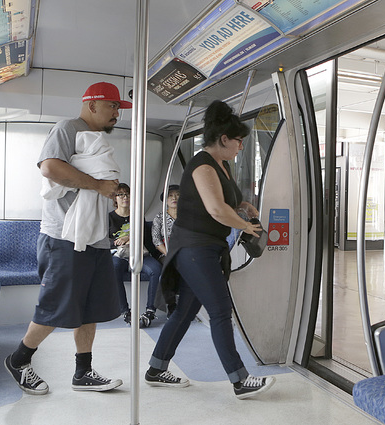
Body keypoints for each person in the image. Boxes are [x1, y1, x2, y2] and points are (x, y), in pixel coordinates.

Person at [4, 82, 131, 395]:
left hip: (94, 239)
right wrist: (99, 186)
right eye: (112, 106)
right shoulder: (68, 128)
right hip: (64, 238)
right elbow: (50, 168)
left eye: (118, 108)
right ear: (91, 104)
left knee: (91, 309)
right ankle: (19, 360)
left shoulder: (97, 140)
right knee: (56, 307)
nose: (117, 113)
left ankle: (83, 371)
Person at [144, 100, 276, 400]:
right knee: (219, 310)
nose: (241, 146)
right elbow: (216, 210)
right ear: (224, 139)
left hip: (206, 248)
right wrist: (245, 227)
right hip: (193, 248)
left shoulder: (222, 166)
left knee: (186, 311)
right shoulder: (202, 165)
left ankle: (156, 368)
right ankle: (240, 380)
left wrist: (242, 206)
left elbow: (225, 201)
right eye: (239, 141)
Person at [109, 183, 163, 328]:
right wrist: (119, 242)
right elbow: (106, 240)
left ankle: (150, 310)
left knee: (156, 269)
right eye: (121, 194)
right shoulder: (110, 217)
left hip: (140, 253)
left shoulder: (138, 216)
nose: (125, 197)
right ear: (115, 198)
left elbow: (145, 237)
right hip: (119, 255)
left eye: (127, 194)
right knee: (114, 269)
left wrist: (129, 238)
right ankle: (125, 311)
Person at [151, 184, 180, 258]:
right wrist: (168, 254)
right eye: (170, 195)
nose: (174, 198)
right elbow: (156, 240)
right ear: (165, 200)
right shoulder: (159, 217)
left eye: (177, 195)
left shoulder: (187, 216)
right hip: (166, 254)